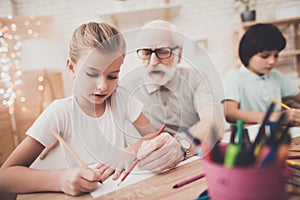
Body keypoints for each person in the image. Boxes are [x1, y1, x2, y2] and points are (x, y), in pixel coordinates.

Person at [0, 22, 184, 197]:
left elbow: (153, 135)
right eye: (92, 74)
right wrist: (61, 179)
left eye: (112, 76)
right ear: (72, 68)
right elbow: (5, 177)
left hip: (123, 190)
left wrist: (132, 150)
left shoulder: (121, 97)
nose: (103, 86)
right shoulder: (59, 112)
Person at [120, 20, 224, 157]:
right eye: (146, 52)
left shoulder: (196, 78)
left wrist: (182, 145)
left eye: (162, 52)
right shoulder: (126, 88)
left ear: (179, 54)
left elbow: (214, 122)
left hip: (195, 158)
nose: (153, 62)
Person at [223, 23, 300, 125]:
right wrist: (278, 117)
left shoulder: (276, 76)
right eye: (265, 56)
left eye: (276, 55)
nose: (272, 61)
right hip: (251, 136)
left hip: (277, 135)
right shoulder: (234, 77)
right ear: (248, 55)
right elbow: (230, 113)